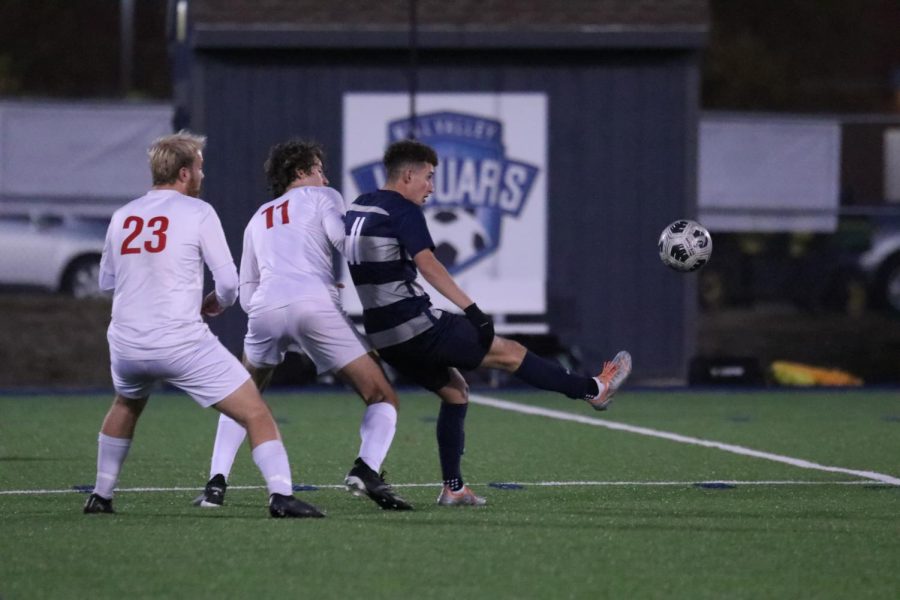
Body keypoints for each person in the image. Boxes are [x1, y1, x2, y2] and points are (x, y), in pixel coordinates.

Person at [344, 139, 632, 506]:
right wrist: (473, 310)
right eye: (429, 177)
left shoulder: (359, 205)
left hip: (384, 337)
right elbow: (428, 265)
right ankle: (593, 389)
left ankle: (453, 487)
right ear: (409, 174)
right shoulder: (403, 210)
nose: (432, 187)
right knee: (509, 353)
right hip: (413, 324)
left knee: (455, 392)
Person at [84, 131, 323, 519]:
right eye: (198, 167)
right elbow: (227, 283)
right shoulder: (198, 212)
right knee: (256, 412)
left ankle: (101, 495)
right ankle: (281, 496)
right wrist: (217, 302)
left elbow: (107, 283)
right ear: (183, 173)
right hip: (179, 341)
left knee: (126, 403)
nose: (202, 174)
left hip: (126, 342)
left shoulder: (122, 215)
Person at [192, 139, 411, 511]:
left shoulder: (258, 217)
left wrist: (276, 304)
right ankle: (367, 469)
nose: (325, 178)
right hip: (314, 305)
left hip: (263, 311)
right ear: (300, 172)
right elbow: (345, 242)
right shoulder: (323, 198)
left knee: (243, 398)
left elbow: (247, 292)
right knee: (381, 395)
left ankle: (215, 485)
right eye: (319, 169)